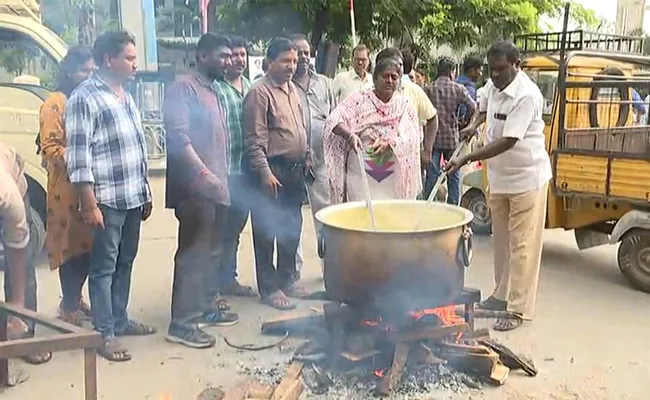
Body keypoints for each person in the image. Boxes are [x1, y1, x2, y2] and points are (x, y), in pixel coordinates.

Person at [444, 41, 552, 331]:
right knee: (500, 241)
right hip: (500, 179)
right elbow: (483, 105)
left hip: (527, 179)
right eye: (491, 71)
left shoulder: (527, 96)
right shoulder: (494, 85)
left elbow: (507, 141)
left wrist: (467, 157)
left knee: (522, 245)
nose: (495, 76)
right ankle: (500, 296)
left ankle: (517, 308)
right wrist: (473, 125)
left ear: (517, 65)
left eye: (502, 70)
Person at [66, 31, 155, 361]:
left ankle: (120, 319)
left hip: (132, 196)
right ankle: (105, 333)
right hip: (105, 200)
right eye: (130, 58)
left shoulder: (126, 95)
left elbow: (138, 146)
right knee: (103, 267)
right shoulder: (84, 98)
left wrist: (145, 191)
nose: (135, 64)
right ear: (109, 60)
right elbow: (78, 156)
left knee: (125, 261)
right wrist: (89, 203)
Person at [163, 33, 240, 349]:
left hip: (217, 188)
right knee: (193, 255)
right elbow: (179, 139)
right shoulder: (183, 87)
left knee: (211, 253)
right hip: (196, 189)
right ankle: (182, 323)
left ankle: (206, 308)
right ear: (202, 55)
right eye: (222, 56)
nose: (228, 61)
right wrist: (205, 174)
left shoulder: (213, 90)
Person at [243, 37, 310, 310]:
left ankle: (287, 279)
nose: (291, 66)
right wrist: (265, 173)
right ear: (269, 62)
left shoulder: (292, 90)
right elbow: (254, 139)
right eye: (285, 61)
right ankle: (269, 289)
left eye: (294, 61)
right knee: (266, 232)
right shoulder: (259, 93)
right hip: (270, 173)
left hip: (294, 172)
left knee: (291, 229)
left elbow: (300, 128)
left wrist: (307, 156)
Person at [39, 47, 95, 326]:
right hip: (66, 191)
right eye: (84, 70)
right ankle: (68, 306)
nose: (89, 75)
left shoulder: (85, 99)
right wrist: (84, 159)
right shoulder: (55, 103)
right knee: (70, 249)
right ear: (70, 71)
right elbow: (50, 147)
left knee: (88, 247)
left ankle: (73, 299)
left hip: (89, 189)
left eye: (92, 70)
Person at [324, 57, 422, 202]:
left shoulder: (405, 106)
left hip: (392, 178)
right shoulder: (359, 100)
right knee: (360, 217)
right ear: (375, 79)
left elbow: (413, 136)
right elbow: (334, 120)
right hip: (360, 176)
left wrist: (391, 144)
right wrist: (349, 135)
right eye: (385, 76)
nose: (389, 80)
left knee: (389, 216)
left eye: (394, 77)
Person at [213, 35, 257, 301]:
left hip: (246, 171)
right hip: (224, 170)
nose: (239, 60)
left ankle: (229, 279)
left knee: (235, 230)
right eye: (234, 56)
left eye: (243, 55)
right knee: (219, 230)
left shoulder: (251, 88)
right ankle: (213, 285)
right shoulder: (217, 89)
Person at [0, 143, 52, 364]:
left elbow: (17, 250)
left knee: (22, 267)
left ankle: (23, 333)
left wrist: (18, 305)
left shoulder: (8, 197)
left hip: (13, 180)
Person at [289, 34, 336, 274]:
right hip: (294, 164)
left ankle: (329, 269)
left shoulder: (325, 83)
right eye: (300, 52)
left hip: (323, 162)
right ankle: (293, 270)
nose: (304, 57)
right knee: (292, 219)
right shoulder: (284, 85)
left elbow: (336, 117)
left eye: (307, 52)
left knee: (325, 218)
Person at [423, 57, 477, 205]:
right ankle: (454, 205)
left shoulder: (428, 89)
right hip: (452, 138)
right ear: (451, 72)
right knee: (454, 173)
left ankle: (429, 206)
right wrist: (465, 122)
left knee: (432, 176)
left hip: (432, 139)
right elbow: (473, 107)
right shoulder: (458, 89)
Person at [375, 48, 438, 172]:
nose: (399, 69)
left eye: (401, 65)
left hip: (410, 157)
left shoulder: (413, 90)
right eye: (394, 64)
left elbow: (432, 118)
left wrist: (427, 150)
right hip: (379, 157)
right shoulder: (368, 94)